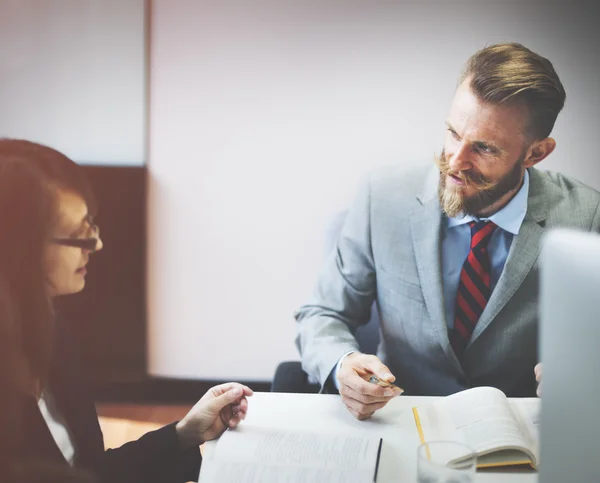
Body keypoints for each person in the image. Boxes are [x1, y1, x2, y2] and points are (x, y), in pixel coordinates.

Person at [294, 42, 600, 420]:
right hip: (397, 418)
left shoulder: (586, 218)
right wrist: (342, 363)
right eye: (454, 133)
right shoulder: (382, 196)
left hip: (518, 433)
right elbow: (322, 314)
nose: (454, 163)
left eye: (484, 148)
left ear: (536, 153)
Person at [0, 138, 253, 483]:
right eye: (79, 235)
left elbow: (91, 471)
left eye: (92, 225)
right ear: (18, 249)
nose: (97, 245)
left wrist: (185, 432)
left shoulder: (54, 332)